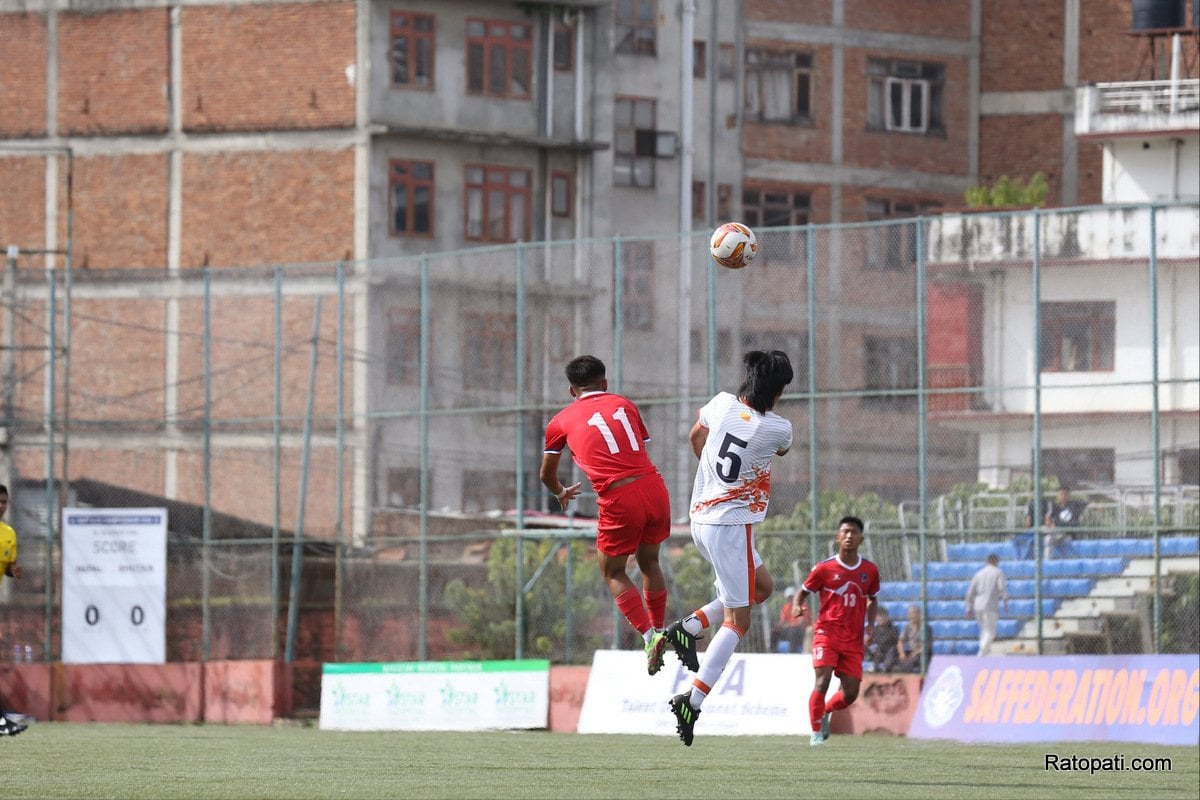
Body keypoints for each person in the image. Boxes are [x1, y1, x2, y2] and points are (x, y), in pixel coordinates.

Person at [664, 350, 794, 746]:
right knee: (739, 622)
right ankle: (693, 700)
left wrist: (714, 481)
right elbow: (779, 449)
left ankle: (686, 629)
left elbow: (695, 436)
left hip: (700, 518)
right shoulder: (779, 428)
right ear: (778, 390)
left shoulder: (721, 403)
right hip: (733, 526)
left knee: (763, 588)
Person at [539, 356, 673, 676]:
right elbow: (639, 445)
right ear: (606, 383)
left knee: (613, 571)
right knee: (649, 562)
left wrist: (560, 492)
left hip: (618, 496)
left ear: (572, 391)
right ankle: (659, 627)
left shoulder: (560, 421)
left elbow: (547, 474)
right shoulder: (625, 404)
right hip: (654, 487)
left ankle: (648, 635)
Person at [792, 515, 881, 746]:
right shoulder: (824, 568)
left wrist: (870, 625)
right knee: (822, 681)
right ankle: (815, 733)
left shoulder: (869, 570)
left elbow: (873, 599)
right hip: (827, 633)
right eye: (845, 532)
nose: (849, 536)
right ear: (838, 537)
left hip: (853, 639)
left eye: (854, 532)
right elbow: (803, 591)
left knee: (850, 694)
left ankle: (824, 712)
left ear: (861, 538)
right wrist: (796, 605)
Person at [0, 484, 28, 736]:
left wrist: (13, 571)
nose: (1, 506)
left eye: (4, 502)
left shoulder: (8, 533)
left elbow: (9, 565)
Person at [965, 553, 1009, 656]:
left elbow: (970, 592)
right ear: (996, 562)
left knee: (984, 631)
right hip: (990, 605)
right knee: (990, 631)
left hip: (978, 605)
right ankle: (981, 655)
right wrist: (1005, 600)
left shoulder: (978, 574)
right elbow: (1001, 588)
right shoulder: (998, 572)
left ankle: (985, 654)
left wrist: (969, 607)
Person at [1041, 486, 1086, 560]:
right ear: (1057, 495)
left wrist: (1097, 506)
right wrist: (1049, 523)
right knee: (1047, 537)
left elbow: (1088, 504)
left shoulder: (1074, 504)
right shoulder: (1054, 506)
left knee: (1052, 537)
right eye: (1061, 494)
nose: (1063, 496)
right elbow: (1048, 520)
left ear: (1069, 496)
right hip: (1056, 533)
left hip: (1067, 535)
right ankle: (1047, 563)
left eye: (1065, 494)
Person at [896, 604, 932, 673]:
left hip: (922, 654)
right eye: (909, 614)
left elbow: (927, 646)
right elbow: (900, 641)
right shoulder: (908, 627)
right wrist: (902, 654)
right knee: (897, 659)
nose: (910, 616)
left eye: (913, 613)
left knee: (910, 662)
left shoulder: (926, 628)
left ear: (919, 614)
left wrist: (915, 653)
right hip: (911, 652)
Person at [772, 586, 808, 653]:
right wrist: (778, 626)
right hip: (789, 629)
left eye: (792, 597)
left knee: (792, 630)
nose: (790, 599)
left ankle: (792, 652)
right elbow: (782, 622)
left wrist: (788, 625)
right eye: (789, 597)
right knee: (775, 631)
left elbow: (801, 623)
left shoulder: (800, 605)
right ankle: (773, 651)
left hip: (800, 631)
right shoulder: (786, 607)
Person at [867, 606, 900, 673]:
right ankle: (875, 668)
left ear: (887, 617)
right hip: (879, 650)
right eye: (879, 617)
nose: (881, 619)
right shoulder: (876, 629)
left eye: (883, 616)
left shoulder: (893, 628)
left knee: (892, 650)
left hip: (890, 650)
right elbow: (872, 640)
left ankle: (885, 668)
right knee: (874, 648)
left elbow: (893, 640)